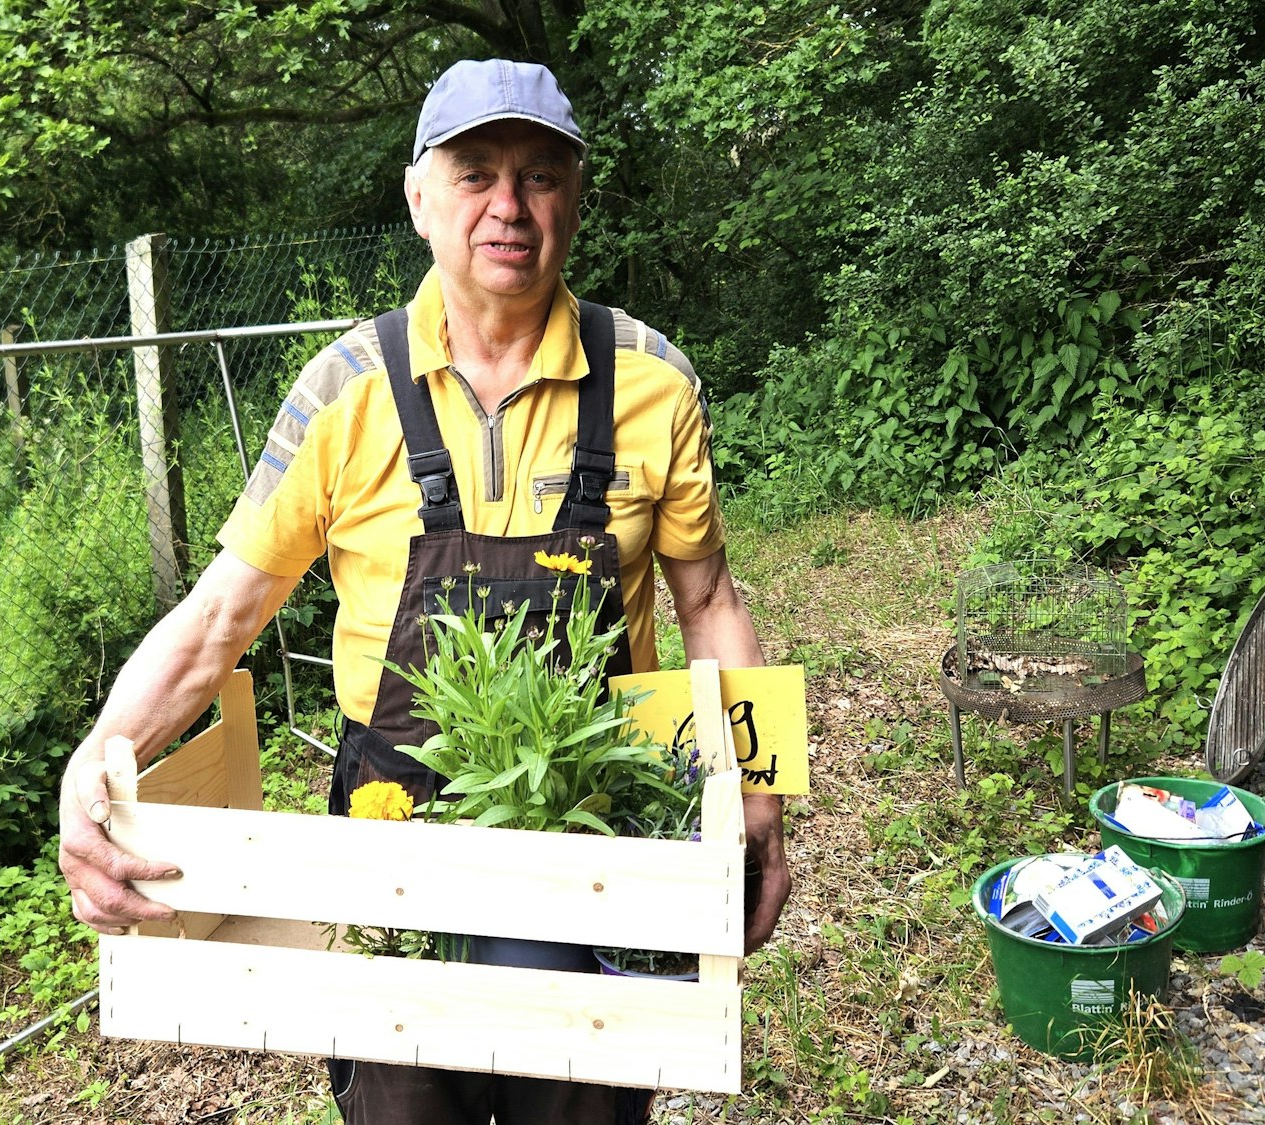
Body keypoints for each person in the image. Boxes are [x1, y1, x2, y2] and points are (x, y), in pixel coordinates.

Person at [59, 57, 791, 1124]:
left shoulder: (649, 379)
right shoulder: (342, 394)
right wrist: (95, 761)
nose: (507, 205)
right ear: (418, 198)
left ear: (574, 201)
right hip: (388, 825)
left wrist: (760, 798)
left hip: (595, 828)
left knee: (580, 1101)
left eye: (540, 176)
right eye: (474, 172)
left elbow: (709, 598)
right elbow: (222, 614)